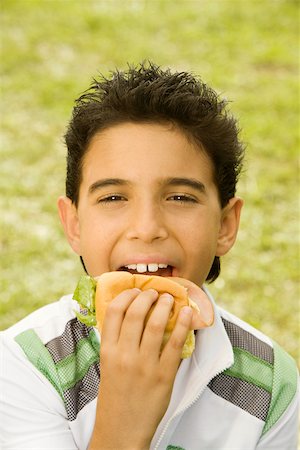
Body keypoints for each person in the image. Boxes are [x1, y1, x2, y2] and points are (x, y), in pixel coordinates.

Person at [0, 62, 298, 450]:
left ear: (225, 225)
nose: (146, 227)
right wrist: (124, 421)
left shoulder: (271, 384)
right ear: (74, 225)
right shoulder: (23, 368)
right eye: (113, 197)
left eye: (180, 197)